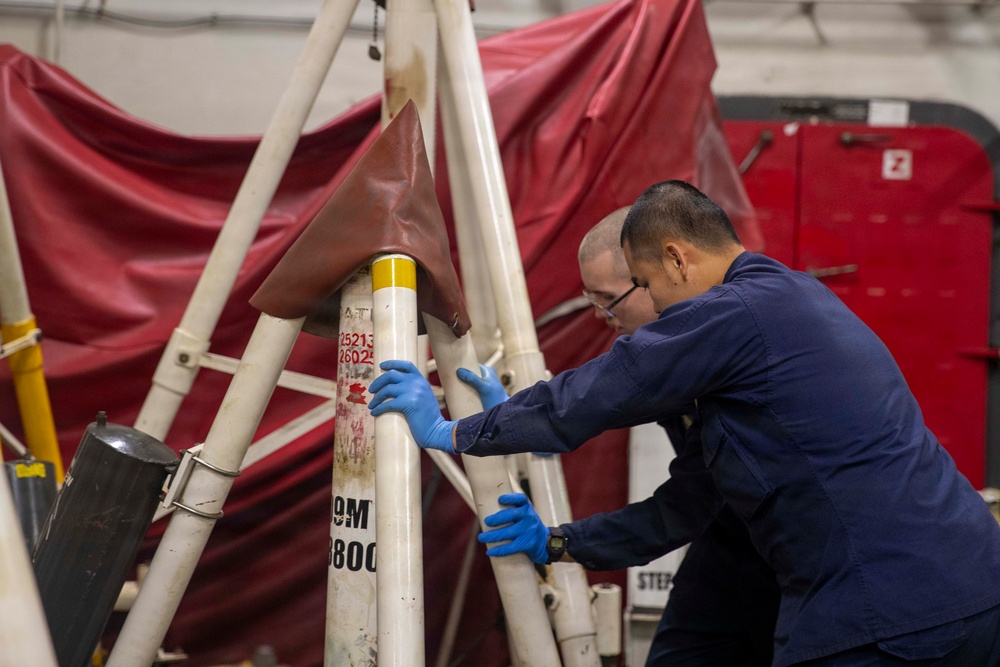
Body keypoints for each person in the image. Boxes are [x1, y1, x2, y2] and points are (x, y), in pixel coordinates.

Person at [369, 181, 1000, 666]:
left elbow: (611, 387)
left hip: (890, 611)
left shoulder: (739, 310)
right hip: (962, 592)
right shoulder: (778, 311)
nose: (610, 320)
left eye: (633, 288)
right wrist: (561, 542)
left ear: (675, 261)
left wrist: (459, 431)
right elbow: (691, 501)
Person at [466, 206, 780, 666]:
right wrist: (513, 421)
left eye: (608, 299)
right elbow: (593, 413)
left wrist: (460, 431)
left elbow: (589, 407)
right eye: (592, 302)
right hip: (728, 541)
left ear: (665, 270)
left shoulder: (734, 329)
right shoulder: (681, 359)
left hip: (793, 554)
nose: (602, 317)